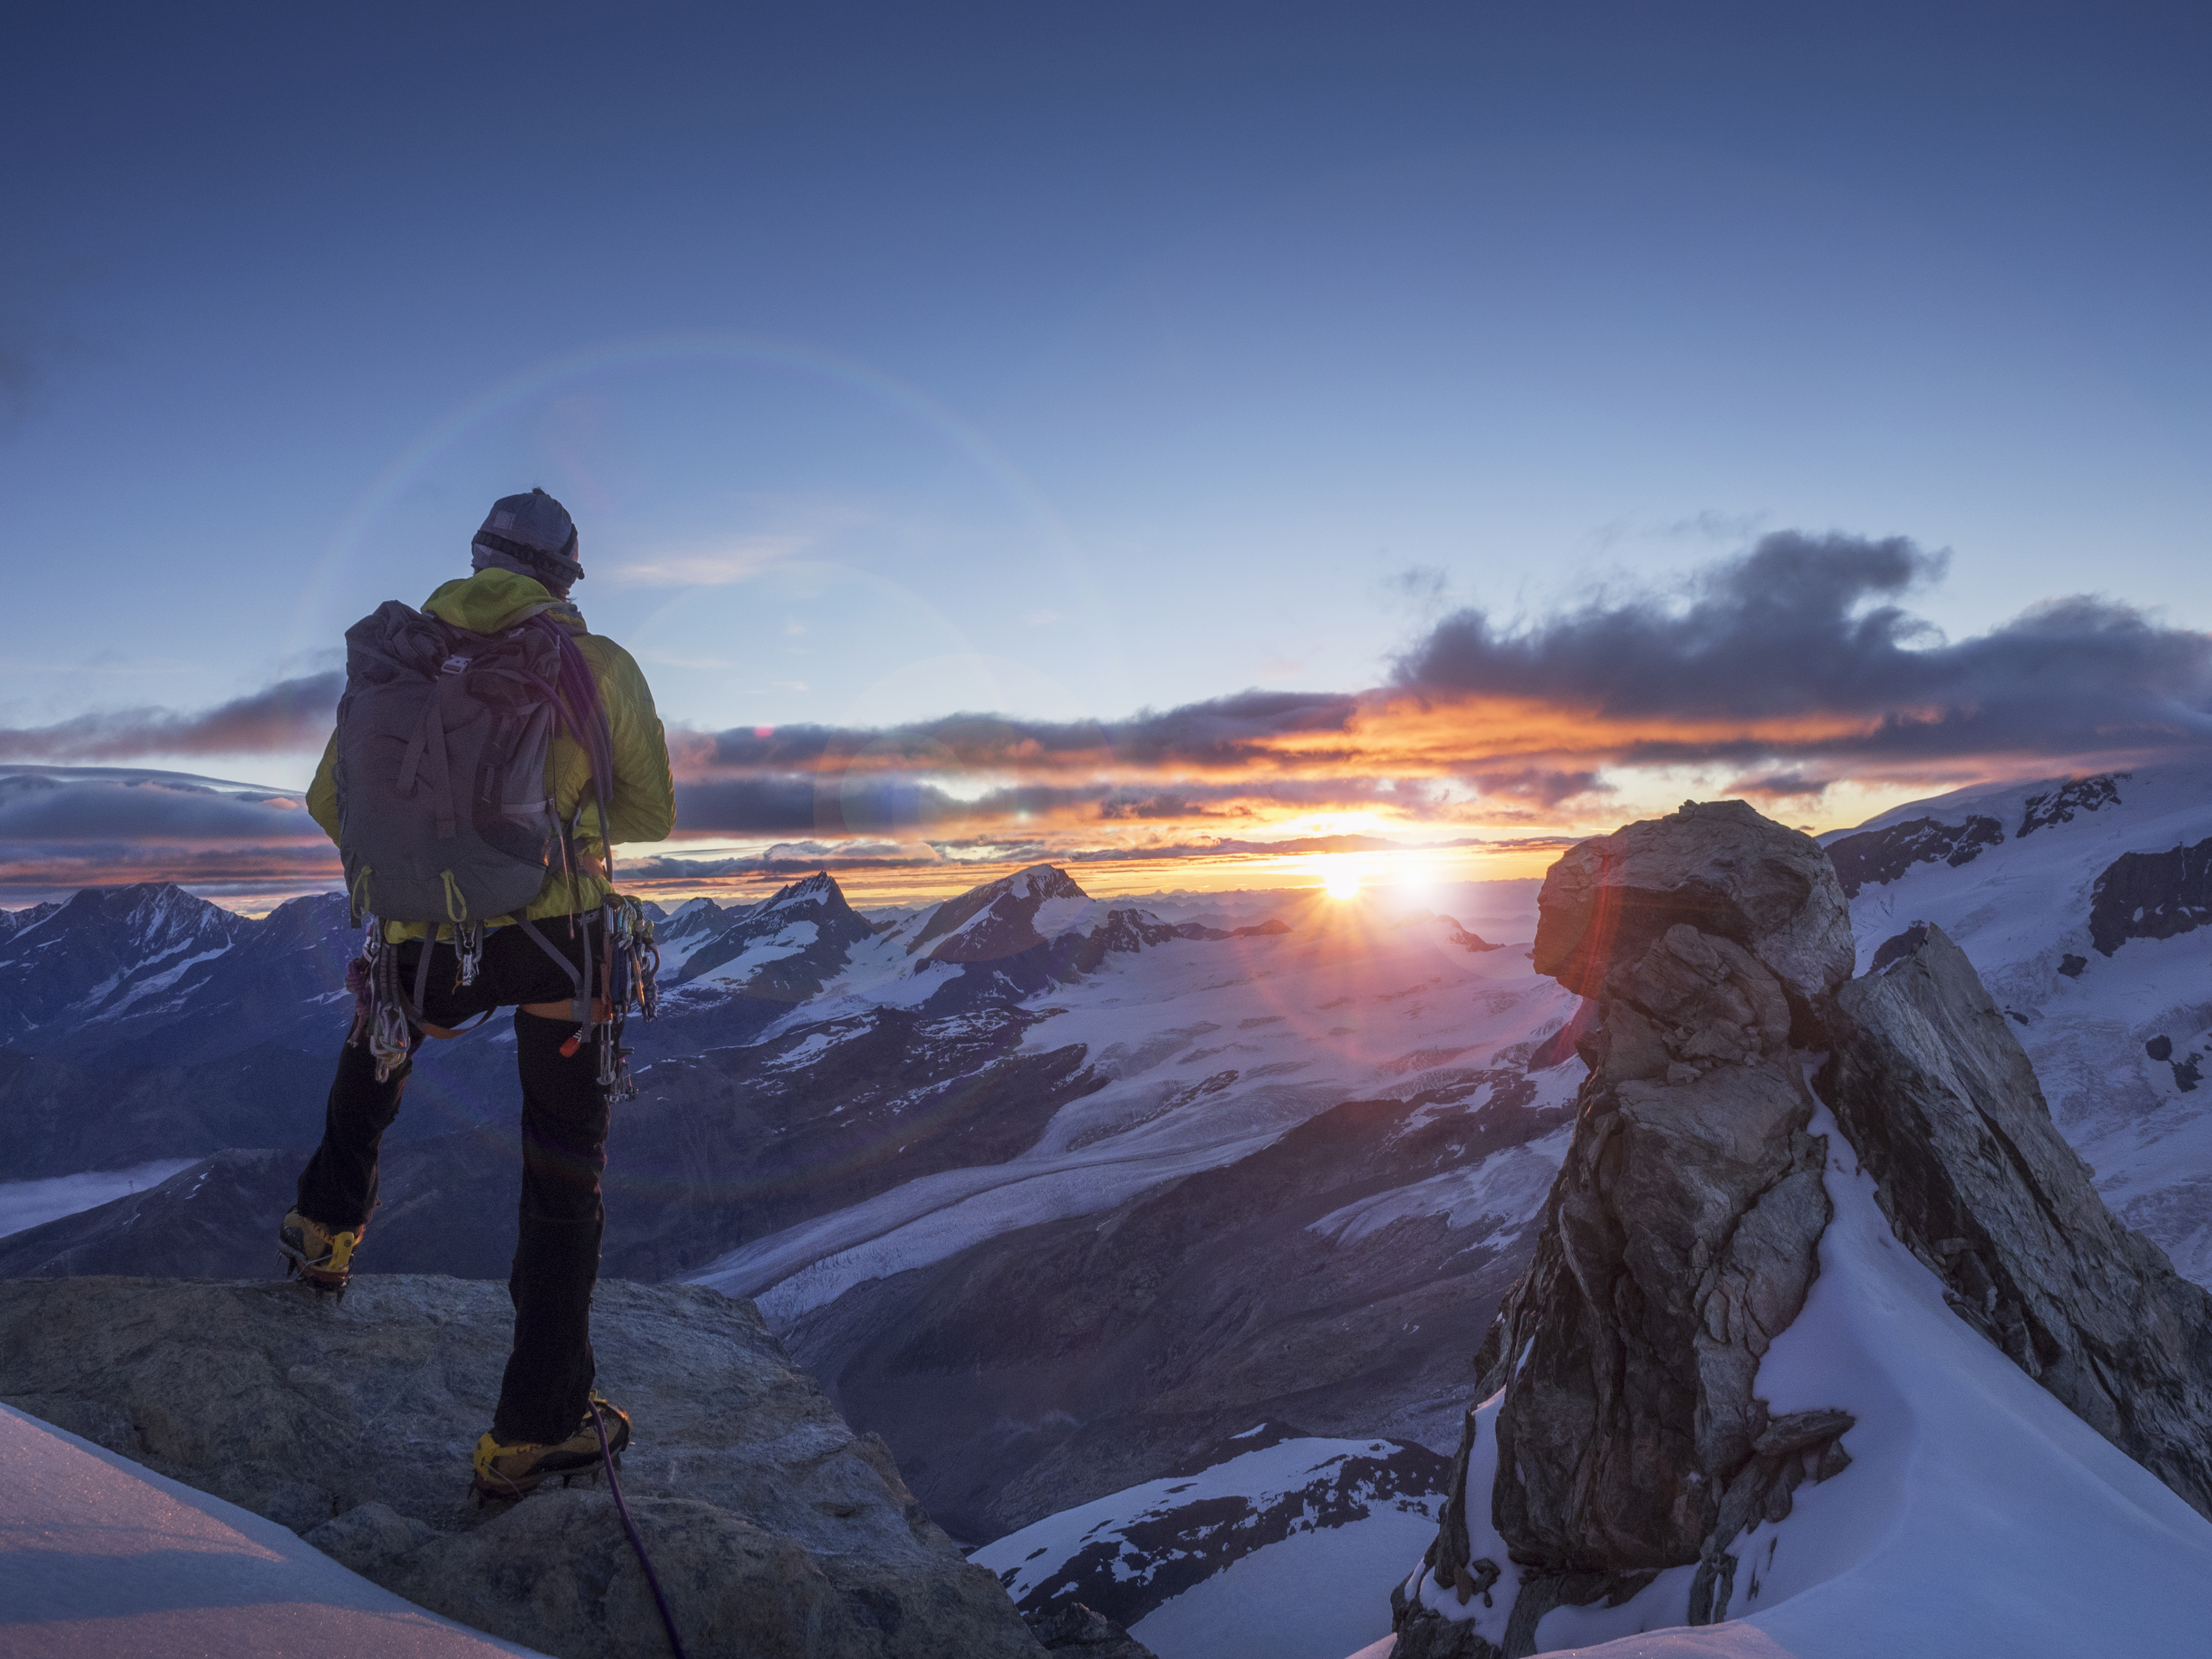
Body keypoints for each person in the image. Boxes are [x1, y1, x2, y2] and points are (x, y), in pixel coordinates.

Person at [278, 487, 676, 1499]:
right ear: (563, 578)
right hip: (558, 941)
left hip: (427, 931)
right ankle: (534, 1425)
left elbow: (332, 801)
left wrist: (428, 868)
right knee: (562, 1164)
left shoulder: (395, 662)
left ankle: (325, 1230)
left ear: (476, 558)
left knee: (383, 1039)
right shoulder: (595, 666)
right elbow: (652, 810)